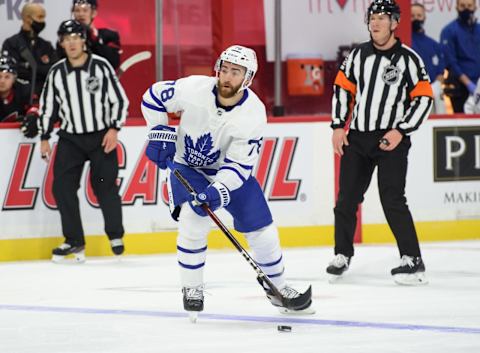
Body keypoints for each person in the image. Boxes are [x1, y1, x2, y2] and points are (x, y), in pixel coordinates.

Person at [141, 45, 313, 315]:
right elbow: (152, 96)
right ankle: (192, 288)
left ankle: (279, 288)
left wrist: (217, 190)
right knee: (193, 219)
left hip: (229, 174)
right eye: (225, 69)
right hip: (188, 167)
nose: (227, 76)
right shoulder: (194, 88)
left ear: (247, 78)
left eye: (236, 72)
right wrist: (158, 131)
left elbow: (238, 166)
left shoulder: (252, 114)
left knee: (263, 232)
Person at [328, 0, 433, 285]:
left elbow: (424, 98)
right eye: (372, 17)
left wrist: (402, 130)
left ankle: (412, 259)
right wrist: (339, 126)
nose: (375, 22)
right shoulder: (357, 55)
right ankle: (342, 254)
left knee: (392, 198)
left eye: (382, 17)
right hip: (359, 137)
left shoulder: (409, 59)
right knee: (346, 198)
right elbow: (342, 89)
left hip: (392, 139)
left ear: (395, 23)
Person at [38, 20, 129, 263]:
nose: (71, 43)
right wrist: (44, 137)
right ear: (61, 43)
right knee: (62, 187)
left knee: (104, 185)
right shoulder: (57, 71)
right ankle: (74, 241)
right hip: (71, 139)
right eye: (66, 39)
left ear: (83, 40)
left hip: (101, 137)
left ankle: (115, 235)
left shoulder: (100, 67)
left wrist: (114, 128)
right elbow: (47, 107)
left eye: (75, 37)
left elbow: (119, 101)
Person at [2, 2, 57, 97]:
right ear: (27, 18)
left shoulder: (46, 45)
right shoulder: (11, 43)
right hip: (19, 98)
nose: (43, 21)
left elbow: (52, 70)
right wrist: (38, 69)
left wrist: (30, 67)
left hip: (43, 94)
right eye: (40, 17)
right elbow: (13, 71)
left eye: (43, 17)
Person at [440, 0, 480, 113]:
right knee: (463, 125)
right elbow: (450, 61)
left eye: (469, 6)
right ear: (456, 7)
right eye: (462, 6)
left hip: (479, 83)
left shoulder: (478, 29)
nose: (466, 9)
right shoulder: (449, 30)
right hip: (460, 86)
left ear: (475, 7)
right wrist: (468, 83)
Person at [411, 3, 446, 114]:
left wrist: (437, 84)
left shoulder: (434, 45)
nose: (416, 19)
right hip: (412, 93)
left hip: (432, 92)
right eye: (412, 16)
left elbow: (441, 71)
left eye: (419, 15)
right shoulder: (403, 42)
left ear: (424, 17)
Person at [68, 0, 121, 70]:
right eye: (77, 11)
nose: (81, 14)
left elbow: (114, 62)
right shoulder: (67, 38)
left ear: (94, 13)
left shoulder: (109, 35)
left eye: (85, 10)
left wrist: (93, 38)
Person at [0, 55, 39, 138]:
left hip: (18, 140)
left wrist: (33, 116)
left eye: (7, 77)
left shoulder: (25, 89)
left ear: (14, 78)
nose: (2, 81)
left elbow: (36, 107)